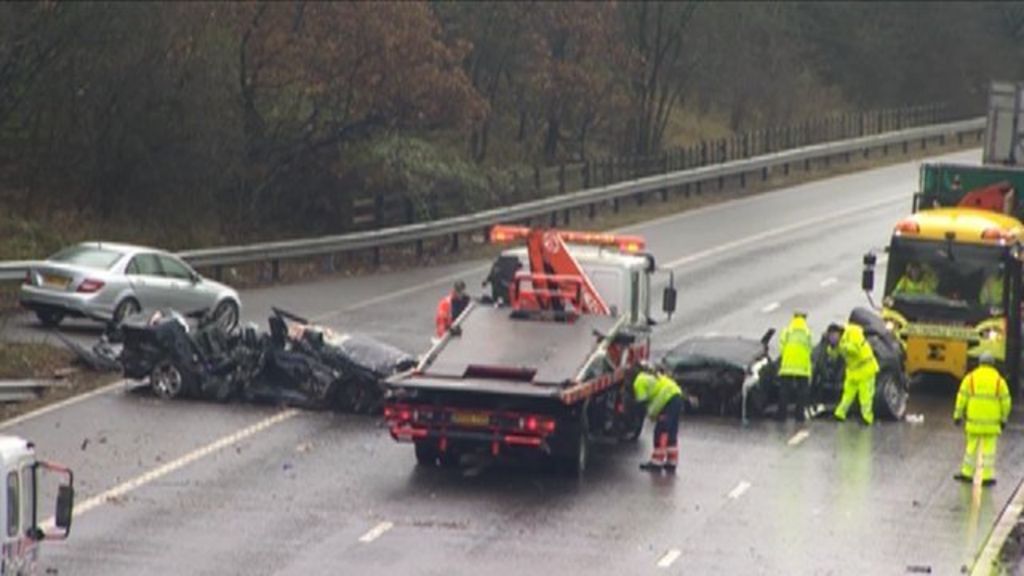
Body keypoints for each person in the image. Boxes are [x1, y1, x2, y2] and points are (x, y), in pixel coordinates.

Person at [953, 352, 1011, 486]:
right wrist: (1004, 419)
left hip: (973, 422)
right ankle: (987, 477)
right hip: (992, 424)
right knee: (989, 450)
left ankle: (967, 473)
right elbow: (1006, 401)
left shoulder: (971, 378)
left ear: (979, 363)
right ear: (993, 364)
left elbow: (962, 397)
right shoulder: (999, 381)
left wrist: (957, 415)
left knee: (971, 448)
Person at [633, 367, 683, 473]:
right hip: (677, 396)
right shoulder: (651, 376)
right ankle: (672, 461)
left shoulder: (638, 382)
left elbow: (642, 402)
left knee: (661, 430)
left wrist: (646, 414)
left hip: (668, 401)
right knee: (671, 430)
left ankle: (657, 462)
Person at [832, 322, 879, 425]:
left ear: (839, 332)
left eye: (833, 336)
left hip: (866, 368)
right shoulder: (841, 341)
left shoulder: (853, 332)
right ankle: (840, 414)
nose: (833, 338)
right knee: (847, 395)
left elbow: (855, 350)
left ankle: (867, 418)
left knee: (865, 396)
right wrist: (831, 347)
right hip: (853, 371)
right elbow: (835, 355)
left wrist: (841, 345)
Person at [777, 311, 813, 422]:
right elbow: (810, 348)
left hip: (787, 365)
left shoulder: (787, 330)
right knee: (802, 392)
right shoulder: (807, 332)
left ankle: (782, 415)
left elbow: (781, 346)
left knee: (784, 391)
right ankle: (799, 415)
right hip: (802, 367)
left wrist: (786, 357)